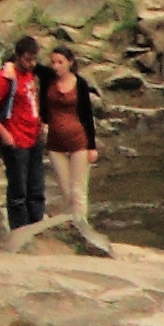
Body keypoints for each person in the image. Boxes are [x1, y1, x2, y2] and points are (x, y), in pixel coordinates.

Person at [36, 43, 107, 251]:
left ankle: (83, 231)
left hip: (79, 141)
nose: (56, 66)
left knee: (78, 190)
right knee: (66, 190)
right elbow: (27, 61)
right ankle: (72, 227)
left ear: (70, 63)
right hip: (56, 143)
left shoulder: (81, 84)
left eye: (60, 62)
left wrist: (92, 146)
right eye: (53, 62)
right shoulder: (48, 78)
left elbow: (87, 116)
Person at [0, 38, 47, 238]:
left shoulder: (30, 75)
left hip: (33, 139)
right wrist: (3, 132)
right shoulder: (7, 77)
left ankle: (37, 230)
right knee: (18, 192)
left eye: (34, 60)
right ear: (18, 56)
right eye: (28, 60)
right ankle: (20, 234)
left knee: (37, 189)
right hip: (15, 140)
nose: (32, 63)